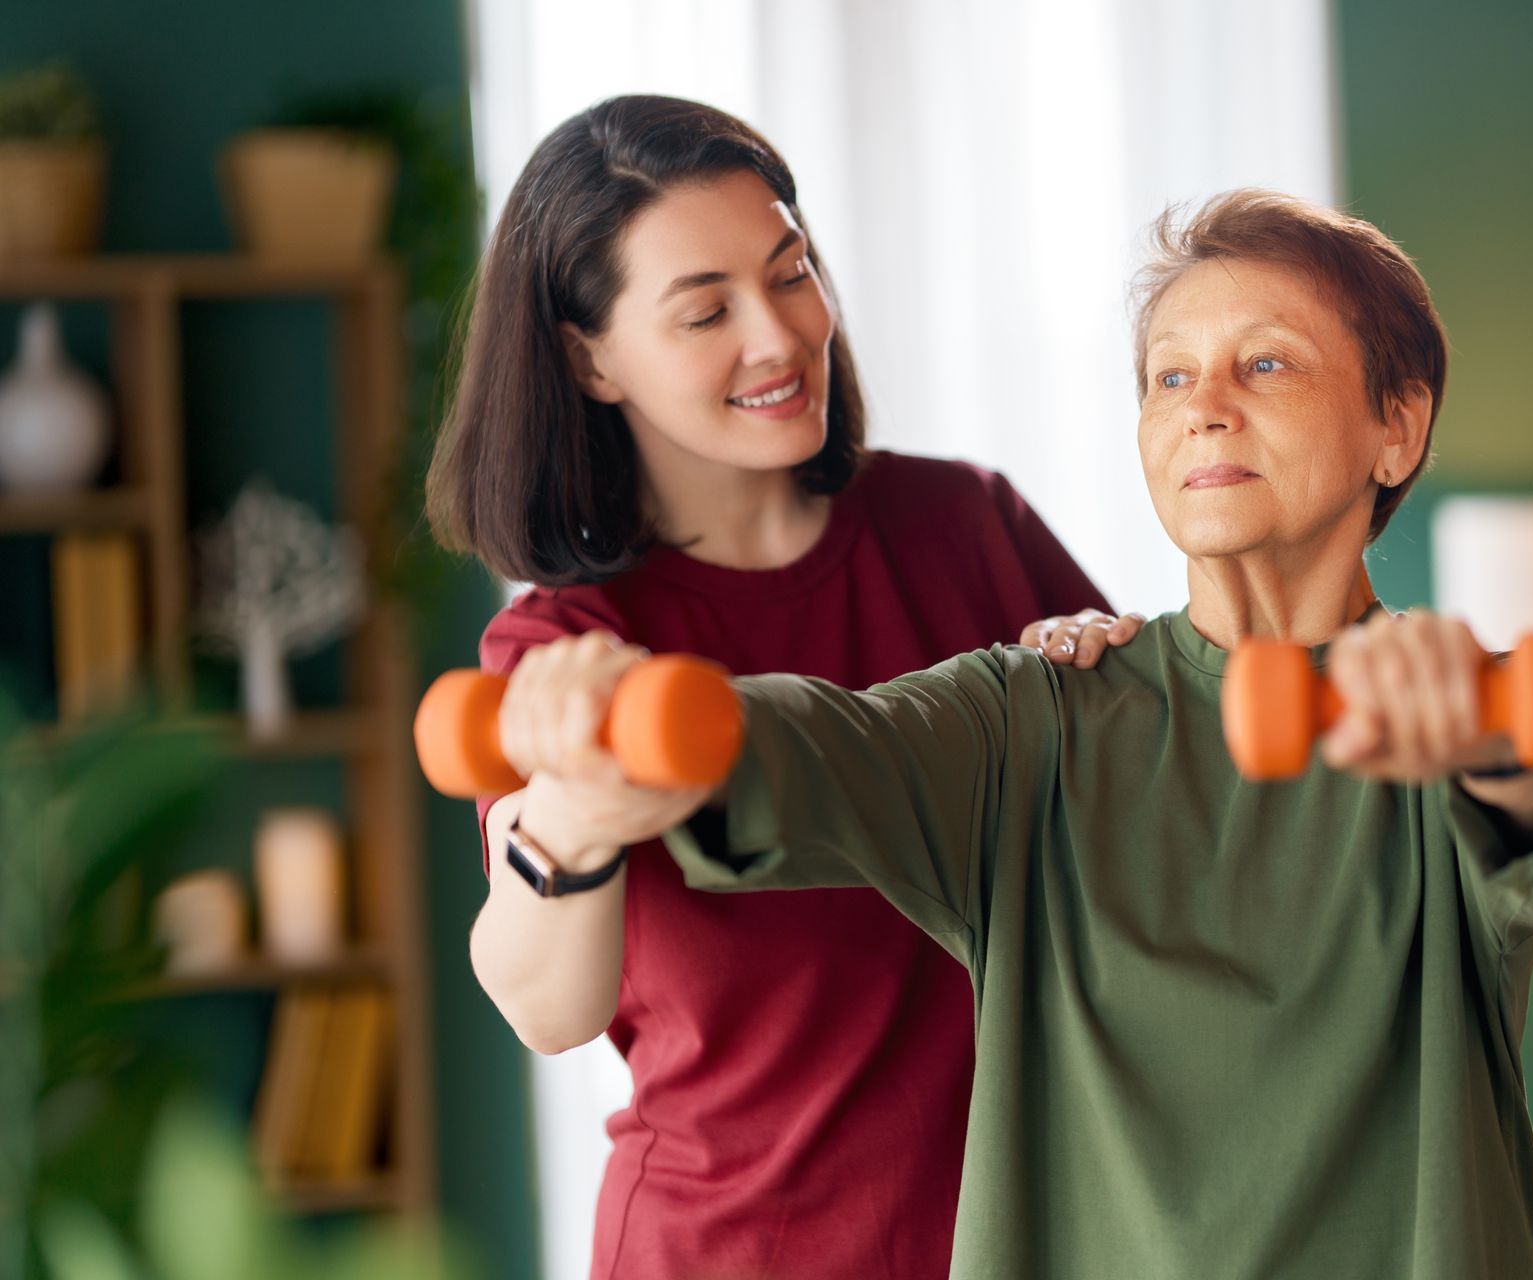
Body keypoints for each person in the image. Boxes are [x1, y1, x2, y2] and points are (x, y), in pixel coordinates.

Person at [534, 189, 1533, 1279]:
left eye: (1267, 364)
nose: (1204, 404)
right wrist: (629, 717)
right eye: (1169, 374)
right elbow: (820, 749)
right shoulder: (1033, 720)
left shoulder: (1463, 713)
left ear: (1398, 426)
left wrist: (1480, 740)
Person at [425, 95, 1136, 1280]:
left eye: (790, 270)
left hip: (1027, 1238)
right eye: (706, 309)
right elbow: (548, 1006)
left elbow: (1138, 858)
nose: (778, 334)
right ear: (586, 354)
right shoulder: (575, 649)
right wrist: (576, 818)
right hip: (734, 1249)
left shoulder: (969, 528)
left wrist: (1102, 694)